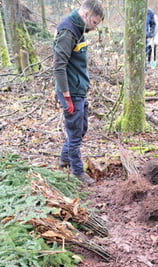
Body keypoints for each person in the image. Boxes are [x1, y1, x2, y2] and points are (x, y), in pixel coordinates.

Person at [53, 0, 104, 185]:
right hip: (71, 92)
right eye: (94, 22)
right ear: (85, 15)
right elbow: (59, 67)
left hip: (78, 89)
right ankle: (77, 172)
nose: (94, 27)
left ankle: (65, 159)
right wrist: (66, 96)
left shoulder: (79, 29)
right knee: (75, 133)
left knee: (81, 129)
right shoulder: (67, 31)